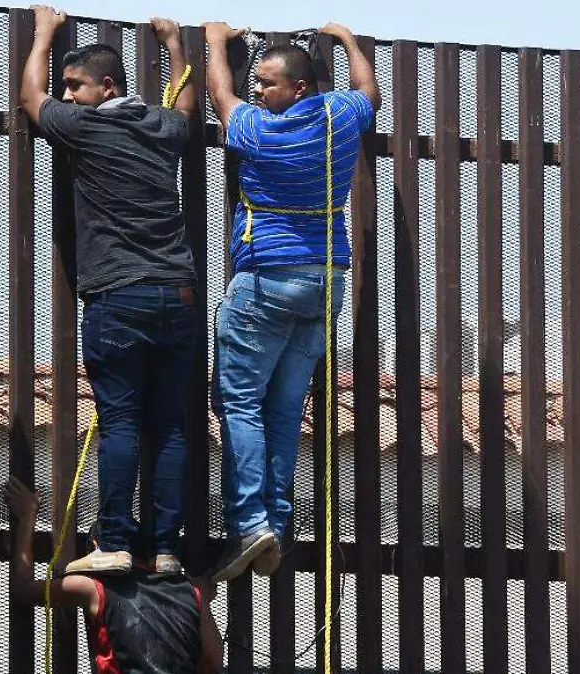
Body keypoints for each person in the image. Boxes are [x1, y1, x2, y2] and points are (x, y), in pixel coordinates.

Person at [20, 6, 199, 576]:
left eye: (76, 86)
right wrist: (173, 46)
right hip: (179, 294)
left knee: (121, 421)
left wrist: (45, 33)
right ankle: (167, 549)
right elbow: (185, 108)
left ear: (108, 87)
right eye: (65, 87)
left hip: (119, 296)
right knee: (170, 425)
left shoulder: (84, 127)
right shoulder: (159, 126)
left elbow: (29, 96)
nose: (66, 96)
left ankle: (118, 541)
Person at [201, 21, 381, 583]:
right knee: (281, 410)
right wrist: (350, 41)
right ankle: (274, 524)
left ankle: (252, 520)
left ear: (299, 88)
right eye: (255, 81)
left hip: (266, 280)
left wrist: (212, 44)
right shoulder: (338, 117)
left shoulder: (258, 131)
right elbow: (369, 92)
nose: (256, 91)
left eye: (268, 83)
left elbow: (219, 97)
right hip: (325, 282)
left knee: (238, 404)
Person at [6, 477, 224, 674]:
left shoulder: (95, 588)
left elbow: (23, 589)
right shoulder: (191, 592)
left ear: (96, 546)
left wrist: (27, 519)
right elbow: (212, 660)